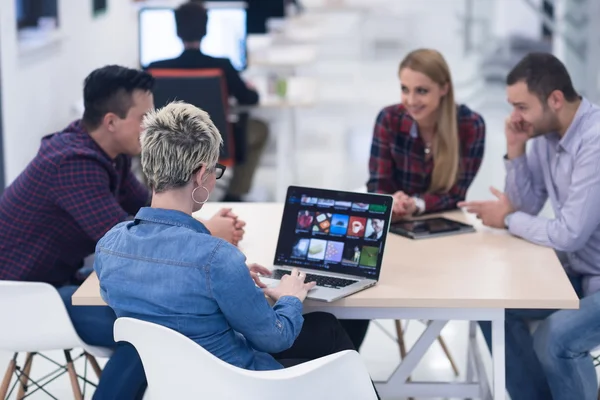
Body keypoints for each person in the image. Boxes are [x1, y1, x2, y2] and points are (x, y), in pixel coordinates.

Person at [94, 102, 379, 399]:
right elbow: (276, 337)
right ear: (201, 174)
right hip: (241, 387)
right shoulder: (216, 258)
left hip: (173, 386)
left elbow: (160, 293)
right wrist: (291, 297)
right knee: (326, 327)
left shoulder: (110, 247)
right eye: (215, 170)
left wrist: (230, 281)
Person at [0, 65, 244, 399]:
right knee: (148, 327)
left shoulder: (107, 154)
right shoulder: (72, 164)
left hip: (54, 281)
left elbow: (152, 212)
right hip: (18, 300)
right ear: (111, 121)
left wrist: (196, 217)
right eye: (144, 117)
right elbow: (134, 248)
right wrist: (207, 231)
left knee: (159, 313)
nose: (151, 126)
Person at [459, 52, 600, 400]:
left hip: (591, 275)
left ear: (554, 99)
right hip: (581, 273)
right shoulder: (546, 135)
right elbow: (527, 205)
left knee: (556, 338)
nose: (514, 117)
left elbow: (568, 234)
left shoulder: (595, 141)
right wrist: (515, 149)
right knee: (492, 306)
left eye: (521, 106)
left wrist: (508, 218)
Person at [345, 48, 487, 351]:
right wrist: (392, 201)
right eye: (405, 89)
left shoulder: (470, 126)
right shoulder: (389, 118)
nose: (410, 100)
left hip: (442, 234)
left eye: (421, 90)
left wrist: (417, 204)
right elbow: (378, 184)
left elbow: (456, 194)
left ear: (444, 88)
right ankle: (341, 363)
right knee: (359, 287)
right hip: (393, 226)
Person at [148, 1, 269, 202]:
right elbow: (250, 99)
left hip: (169, 146)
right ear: (205, 30)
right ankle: (234, 193)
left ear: (177, 31)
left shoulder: (154, 69)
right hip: (214, 144)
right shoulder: (222, 66)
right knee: (260, 129)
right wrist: (250, 88)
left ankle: (153, 192)